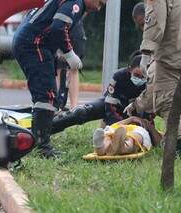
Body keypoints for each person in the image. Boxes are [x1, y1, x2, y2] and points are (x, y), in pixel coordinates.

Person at [12, 0, 107, 158]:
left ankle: (38, 140)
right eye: (100, 3)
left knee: (46, 95)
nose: (99, 8)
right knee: (47, 96)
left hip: (32, 42)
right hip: (34, 44)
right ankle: (41, 146)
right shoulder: (76, 3)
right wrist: (69, 53)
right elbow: (58, 27)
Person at [139, 0, 181, 138]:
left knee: (168, 103)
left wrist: (146, 51)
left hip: (172, 53)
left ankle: (175, 142)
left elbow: (155, 20)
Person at [56, 18, 87, 110]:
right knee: (67, 69)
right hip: (70, 26)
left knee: (62, 68)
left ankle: (61, 106)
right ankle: (72, 107)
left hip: (65, 27)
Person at [92, 116, 161, 156]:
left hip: (122, 129)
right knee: (131, 140)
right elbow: (159, 138)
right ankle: (121, 147)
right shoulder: (141, 128)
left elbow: (116, 125)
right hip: (132, 131)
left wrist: (131, 119)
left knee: (108, 137)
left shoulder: (136, 127)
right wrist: (133, 119)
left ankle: (100, 148)